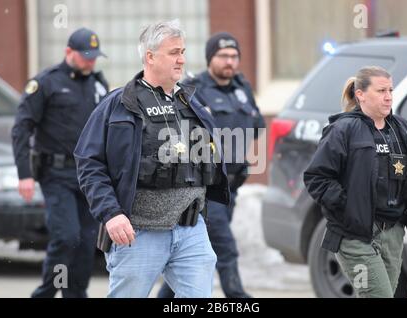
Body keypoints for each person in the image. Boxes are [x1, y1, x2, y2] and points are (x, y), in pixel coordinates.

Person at [74, 20, 229, 298]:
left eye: (182, 51)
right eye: (173, 52)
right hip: (138, 233)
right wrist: (111, 214)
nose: (181, 59)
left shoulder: (191, 104)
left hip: (191, 231)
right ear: (150, 56)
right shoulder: (119, 105)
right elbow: (89, 163)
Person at [303, 66, 407, 298]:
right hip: (356, 236)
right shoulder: (343, 129)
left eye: (390, 89)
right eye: (381, 90)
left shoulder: (402, 129)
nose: (388, 96)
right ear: (360, 94)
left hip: (392, 233)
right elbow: (316, 178)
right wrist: (348, 207)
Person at [157, 32, 265, 298]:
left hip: (231, 188)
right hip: (205, 188)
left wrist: (245, 159)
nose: (230, 61)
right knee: (224, 245)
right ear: (210, 59)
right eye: (223, 56)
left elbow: (257, 125)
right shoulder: (193, 89)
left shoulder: (242, 88)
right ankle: (237, 297)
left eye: (234, 56)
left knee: (192, 252)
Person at [11, 27, 109, 298]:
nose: (91, 62)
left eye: (94, 57)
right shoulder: (46, 83)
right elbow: (22, 128)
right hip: (55, 174)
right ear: (68, 52)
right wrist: (24, 174)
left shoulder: (99, 85)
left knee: (87, 242)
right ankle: (47, 292)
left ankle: (75, 294)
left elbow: (107, 130)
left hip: (89, 176)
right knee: (66, 237)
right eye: (86, 56)